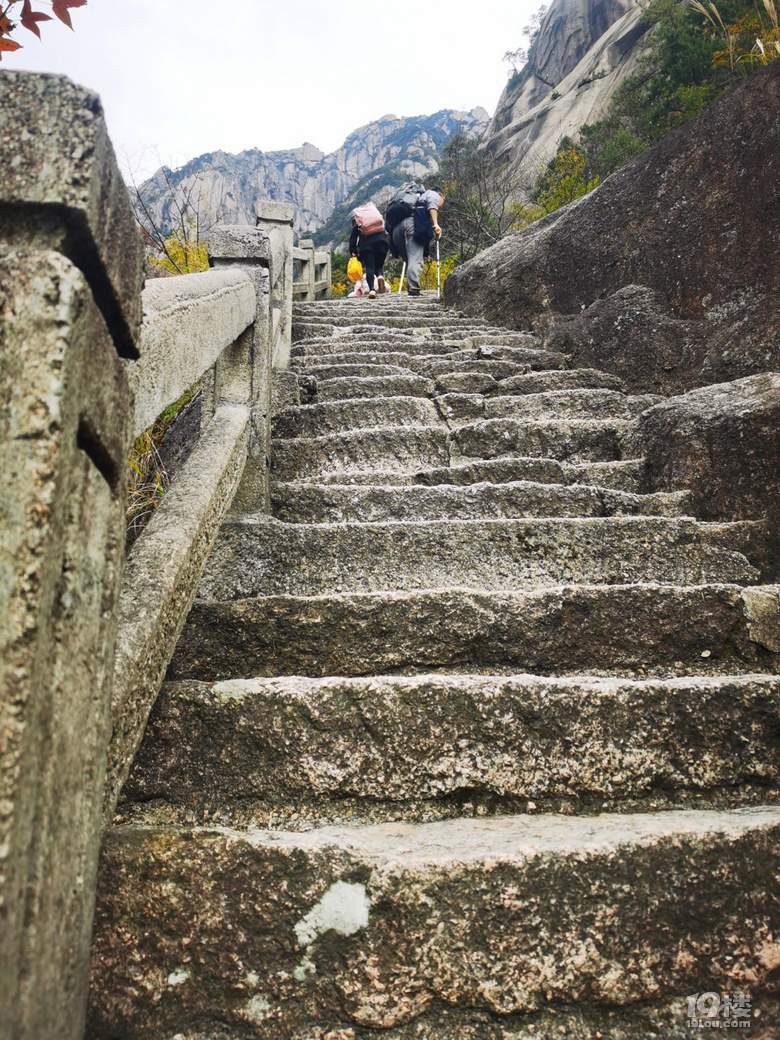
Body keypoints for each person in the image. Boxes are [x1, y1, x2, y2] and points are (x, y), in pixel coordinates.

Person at [392, 187, 444, 297]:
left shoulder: (413, 198)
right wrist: (436, 224)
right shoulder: (432, 194)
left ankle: (411, 286)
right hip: (412, 225)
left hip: (396, 229)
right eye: (442, 202)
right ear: (440, 195)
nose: (441, 208)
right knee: (416, 260)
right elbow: (432, 205)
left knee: (410, 259)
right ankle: (414, 290)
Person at [349, 212, 389, 299]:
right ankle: (380, 276)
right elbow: (388, 229)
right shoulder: (377, 219)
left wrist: (353, 251)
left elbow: (353, 238)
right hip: (382, 243)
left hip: (367, 246)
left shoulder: (359, 221)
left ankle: (372, 290)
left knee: (370, 267)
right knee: (378, 267)